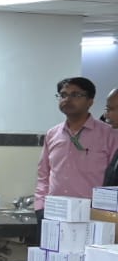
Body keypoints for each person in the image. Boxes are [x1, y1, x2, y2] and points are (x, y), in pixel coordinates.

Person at [34, 77, 118, 213]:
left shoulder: (109, 134)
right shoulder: (52, 134)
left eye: (75, 95)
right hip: (55, 212)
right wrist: (40, 207)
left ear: (90, 101)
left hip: (93, 214)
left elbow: (113, 180)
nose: (67, 99)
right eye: (63, 95)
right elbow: (43, 175)